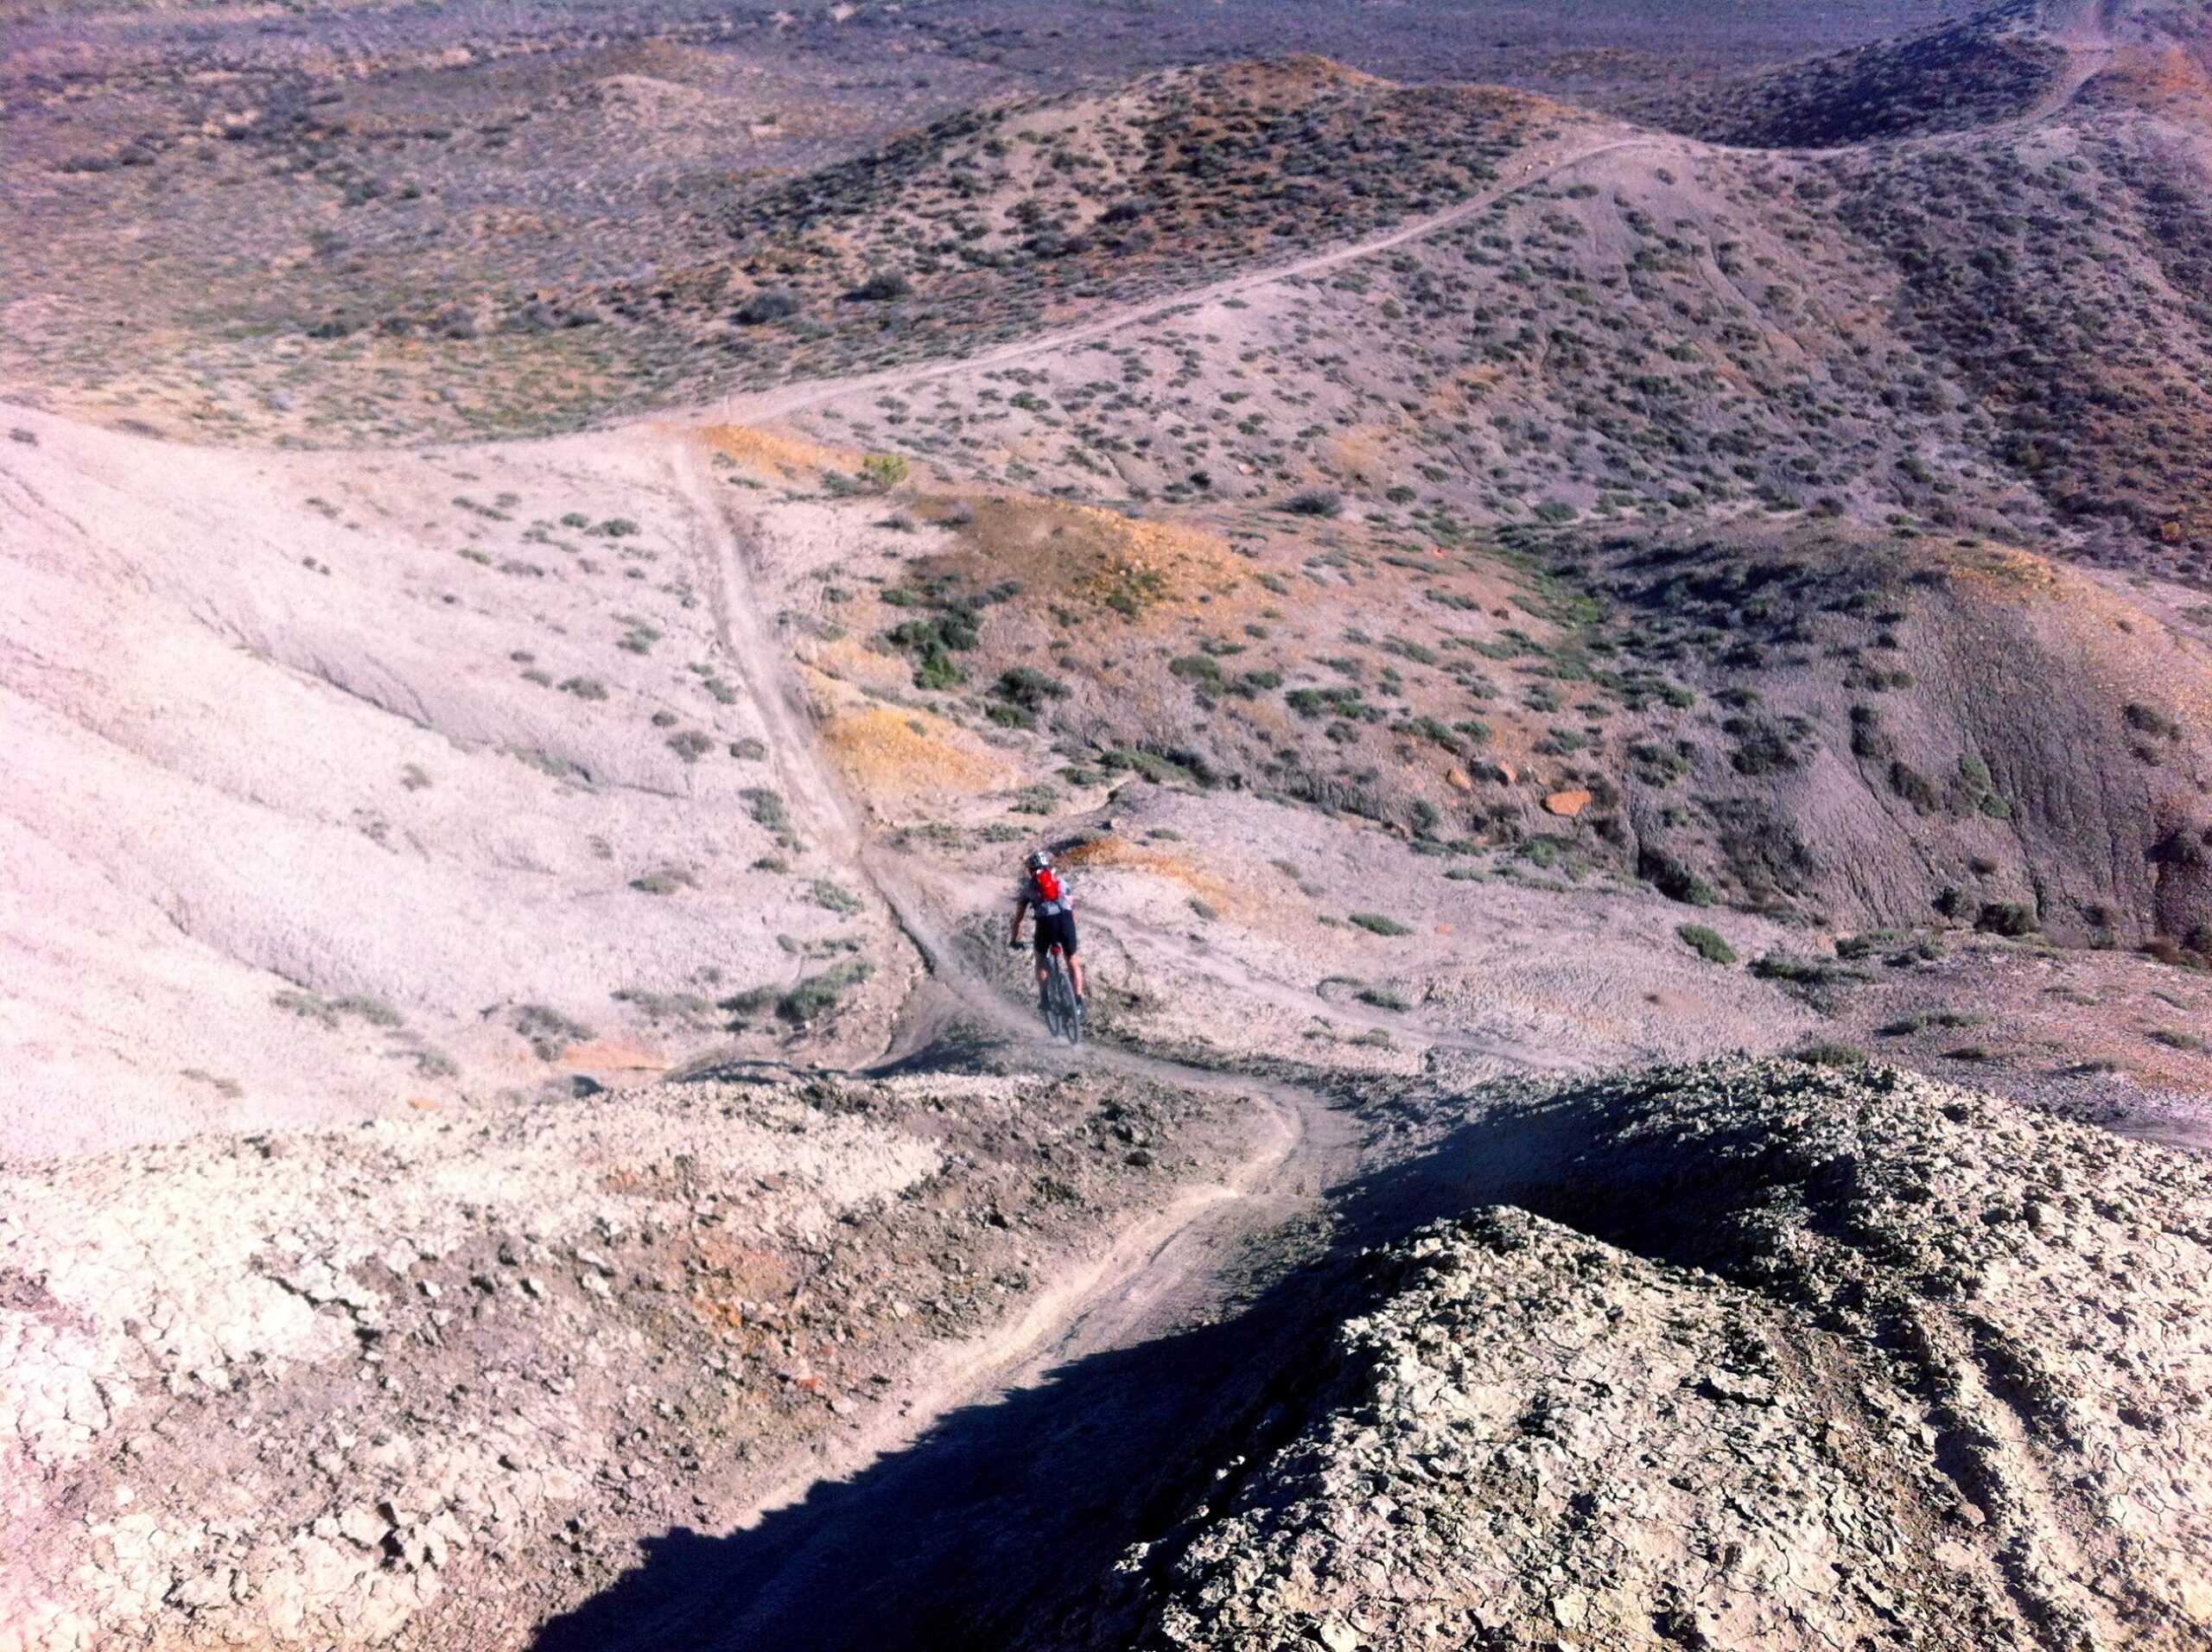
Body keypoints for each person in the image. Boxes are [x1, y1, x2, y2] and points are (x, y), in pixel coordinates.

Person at [1010, 848, 1085, 1014]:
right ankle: (1078, 1003)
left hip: (1046, 924)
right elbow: (1072, 909)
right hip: (1066, 921)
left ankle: (1044, 1000)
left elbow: (1018, 919)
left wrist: (1014, 939)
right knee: (1073, 962)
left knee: (1041, 959)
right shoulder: (1061, 881)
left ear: (1031, 870)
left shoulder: (1029, 888)